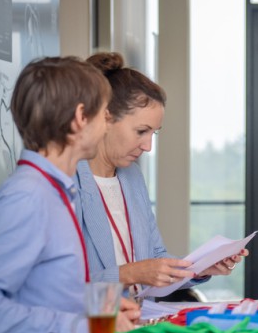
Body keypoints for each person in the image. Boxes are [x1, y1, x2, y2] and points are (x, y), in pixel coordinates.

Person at [0, 56, 141, 333]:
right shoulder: (27, 198)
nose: (107, 125)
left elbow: (40, 292)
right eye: (105, 114)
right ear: (81, 118)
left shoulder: (56, 192)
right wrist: (83, 326)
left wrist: (96, 310)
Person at [75, 52, 246, 294]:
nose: (148, 146)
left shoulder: (132, 177)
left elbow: (155, 257)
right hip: (97, 317)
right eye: (141, 131)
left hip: (141, 314)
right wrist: (131, 273)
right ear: (106, 118)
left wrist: (199, 268)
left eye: (153, 133)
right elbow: (57, 287)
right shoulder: (68, 182)